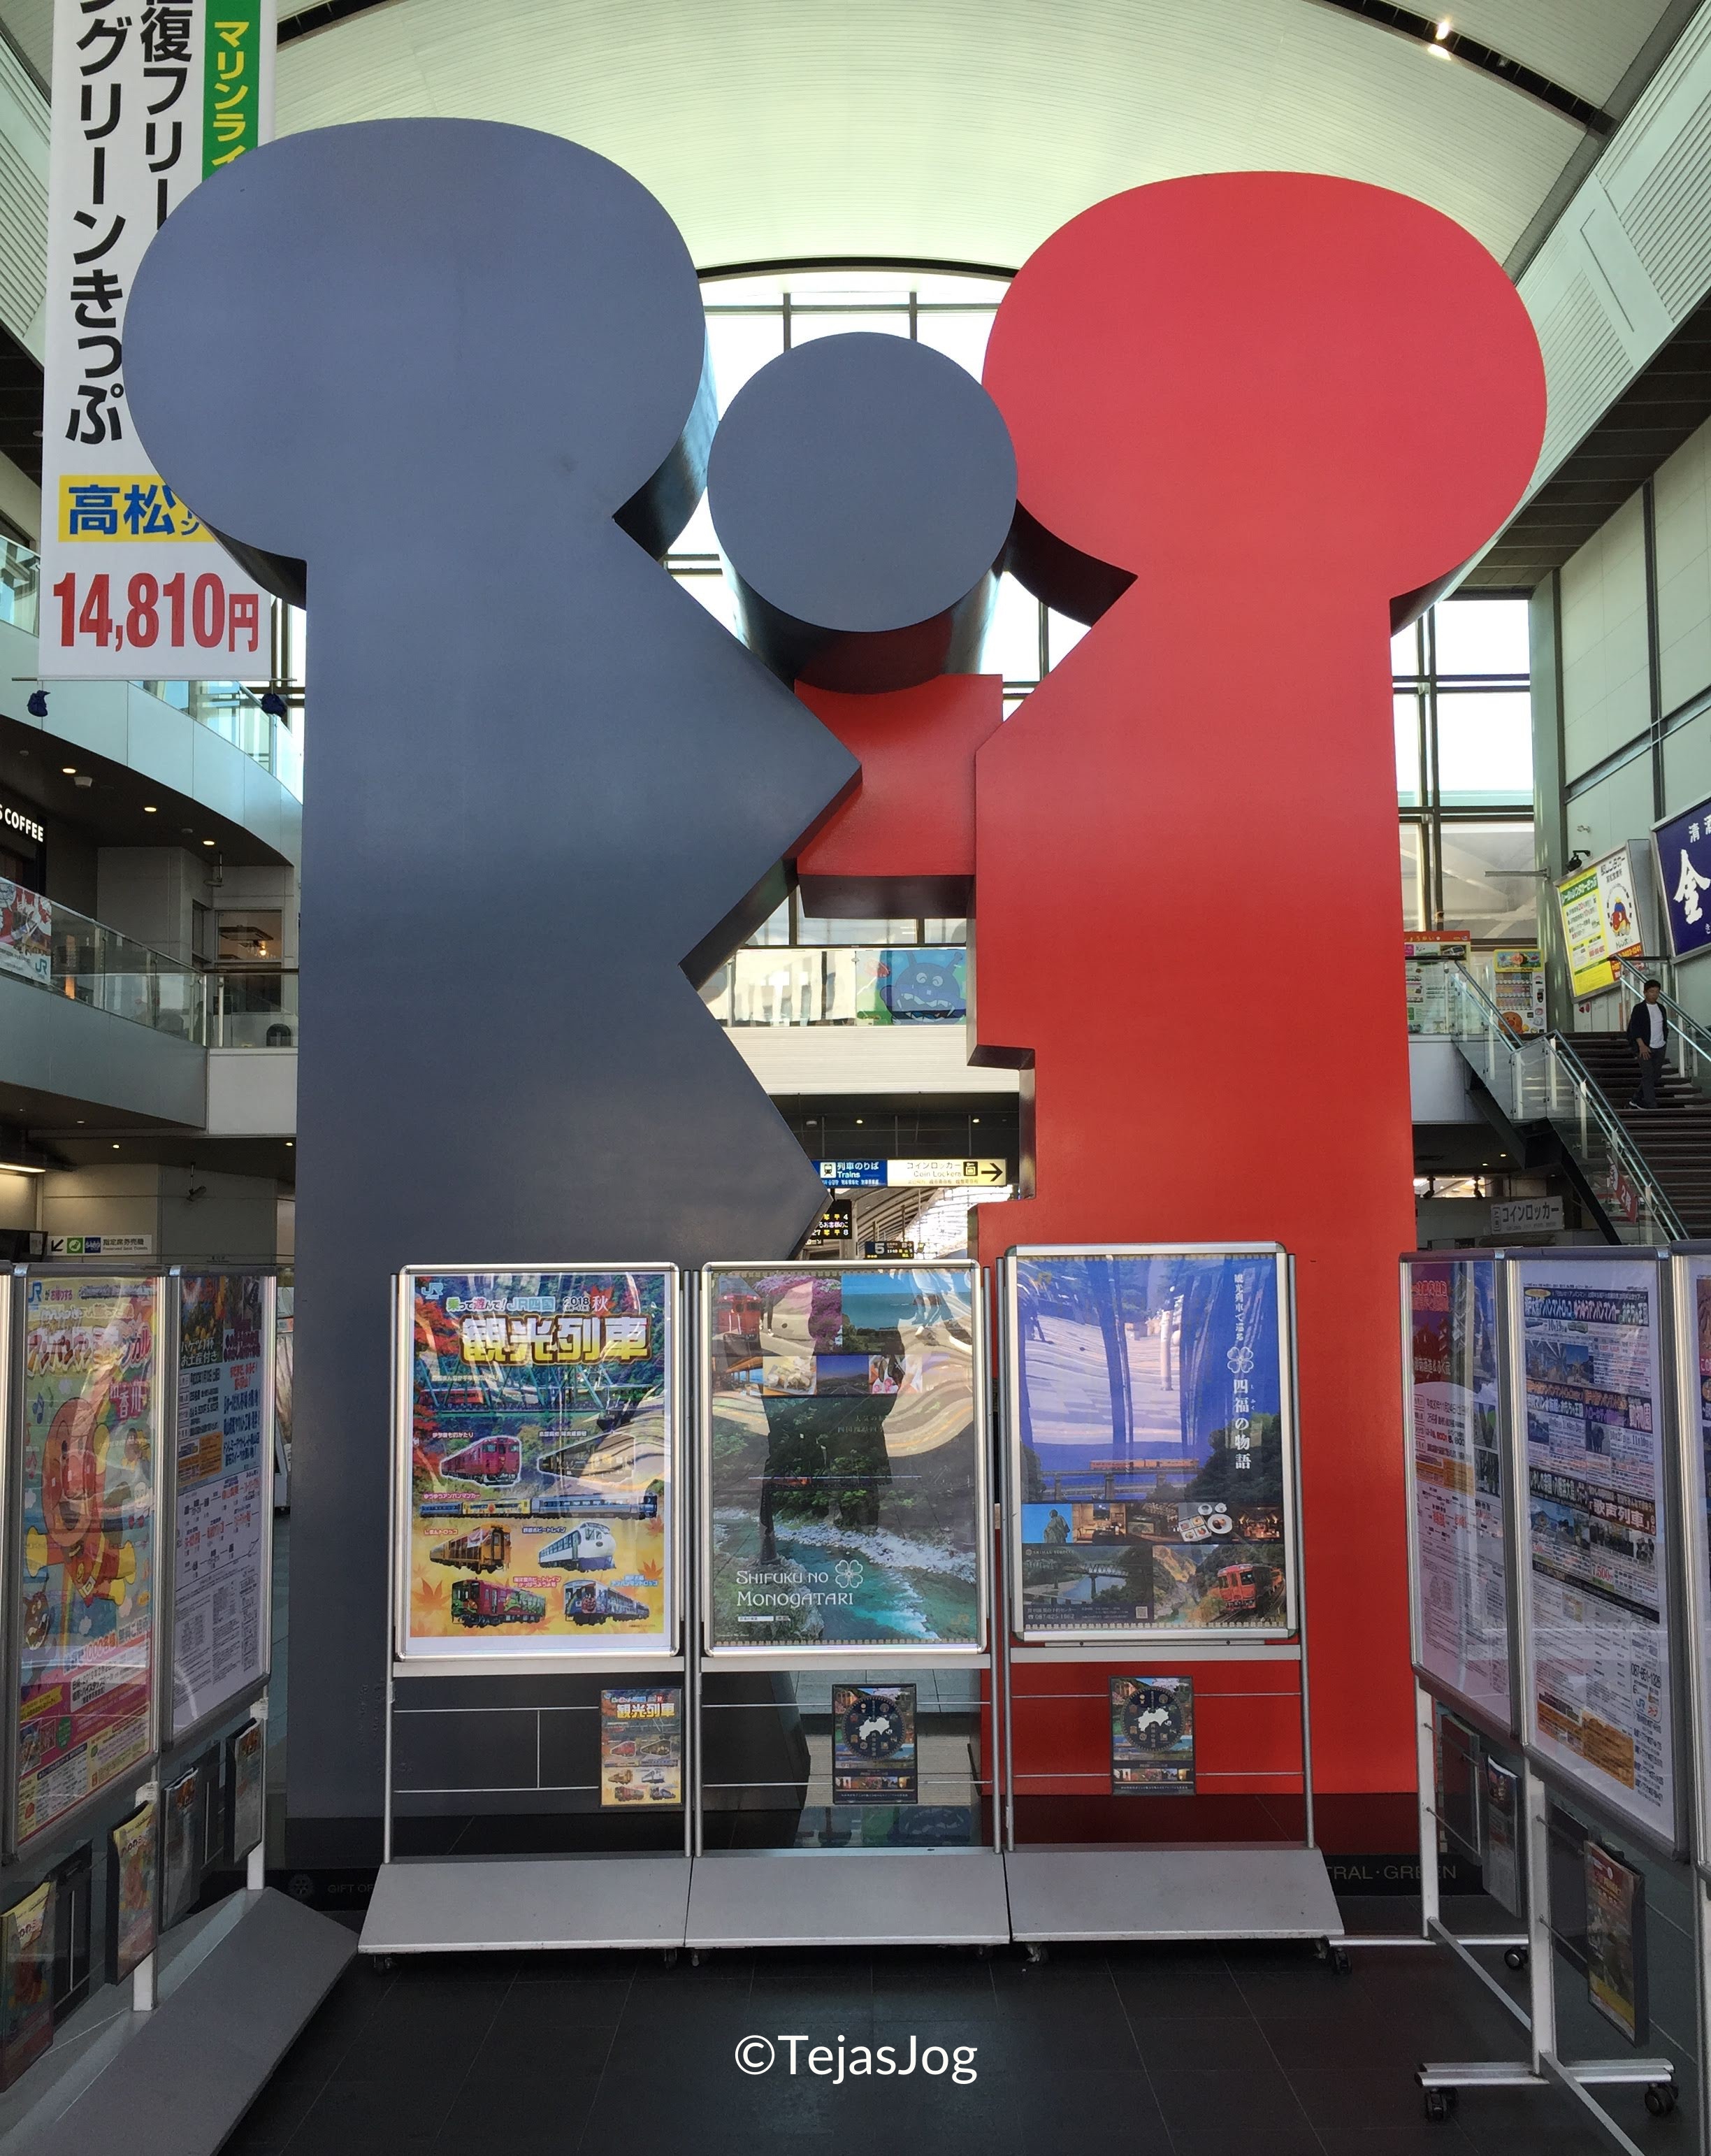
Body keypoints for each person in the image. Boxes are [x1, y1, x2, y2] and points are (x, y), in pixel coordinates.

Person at [1626, 978, 1670, 1110]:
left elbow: (1664, 1025)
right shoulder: (1639, 1009)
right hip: (1645, 1046)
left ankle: (1636, 1098)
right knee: (1648, 1074)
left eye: (1657, 992)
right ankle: (1651, 1104)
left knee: (1655, 1074)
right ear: (1645, 993)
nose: (1654, 995)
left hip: (1660, 1045)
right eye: (1652, 992)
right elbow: (1635, 1028)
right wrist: (1641, 1045)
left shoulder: (1661, 1008)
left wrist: (1664, 1039)